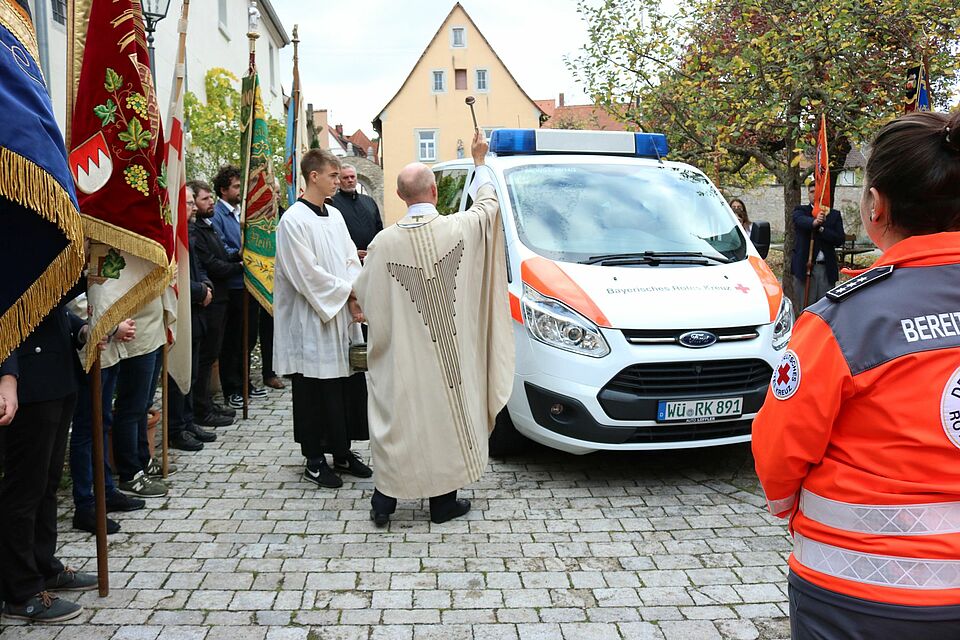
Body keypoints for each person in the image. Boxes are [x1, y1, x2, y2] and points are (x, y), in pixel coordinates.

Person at [752, 110, 960, 639]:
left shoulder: (844, 321)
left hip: (862, 596)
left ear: (875, 206)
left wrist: (791, 508)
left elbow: (779, 451)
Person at [354, 131, 514, 526]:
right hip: (451, 358)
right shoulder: (460, 229)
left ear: (400, 196)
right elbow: (489, 208)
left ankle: (383, 504)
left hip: (403, 359)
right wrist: (479, 163)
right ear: (434, 193)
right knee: (446, 417)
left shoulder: (382, 244)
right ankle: (443, 505)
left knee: (400, 422)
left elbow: (365, 301)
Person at [274, 149, 371, 489]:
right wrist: (348, 293)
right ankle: (314, 458)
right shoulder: (293, 221)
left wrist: (357, 293)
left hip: (342, 313)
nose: (337, 180)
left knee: (345, 386)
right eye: (333, 175)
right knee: (315, 389)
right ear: (314, 176)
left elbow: (350, 260)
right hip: (312, 319)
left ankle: (342, 451)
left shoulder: (334, 214)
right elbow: (306, 275)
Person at [0, 298, 98, 622]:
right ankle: (21, 590)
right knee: (25, 490)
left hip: (58, 376)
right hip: (30, 381)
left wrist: (80, 329)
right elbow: (7, 312)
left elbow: (48, 307)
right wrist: (7, 375)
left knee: (47, 484)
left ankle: (44, 565)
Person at [68, 317, 141, 534]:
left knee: (102, 423)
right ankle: (85, 503)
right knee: (86, 428)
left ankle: (105, 490)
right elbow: (78, 303)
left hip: (110, 348)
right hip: (90, 346)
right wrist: (112, 328)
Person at [166, 185, 218, 451]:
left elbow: (198, 267)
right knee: (178, 373)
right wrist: (200, 291)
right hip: (181, 311)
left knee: (193, 370)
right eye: (188, 203)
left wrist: (205, 285)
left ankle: (187, 420)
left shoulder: (189, 233)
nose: (194, 207)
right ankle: (176, 426)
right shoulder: (171, 234)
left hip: (195, 312)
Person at [210, 165, 264, 409]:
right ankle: (232, 387)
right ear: (223, 190)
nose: (240, 190)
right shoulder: (218, 214)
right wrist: (242, 256)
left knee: (248, 336)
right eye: (235, 186)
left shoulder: (241, 212)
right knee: (232, 339)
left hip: (248, 283)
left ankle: (245, 381)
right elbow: (221, 247)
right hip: (231, 286)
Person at [188, 179, 237, 428]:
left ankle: (206, 403)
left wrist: (237, 255)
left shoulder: (206, 227)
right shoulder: (195, 230)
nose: (210, 203)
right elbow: (209, 263)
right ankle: (201, 409)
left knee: (211, 354)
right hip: (209, 301)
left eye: (209, 198)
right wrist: (237, 266)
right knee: (205, 356)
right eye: (205, 199)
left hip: (219, 296)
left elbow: (220, 254)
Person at [790, 182, 845, 308]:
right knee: (806, 308)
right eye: (811, 192)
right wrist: (814, 222)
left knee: (825, 308)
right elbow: (799, 221)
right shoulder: (801, 211)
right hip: (806, 269)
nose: (814, 195)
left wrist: (821, 229)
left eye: (817, 192)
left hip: (826, 269)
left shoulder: (834, 215)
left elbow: (839, 239)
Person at [259, 179, 285, 390]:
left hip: (285, 281)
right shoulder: (256, 218)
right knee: (267, 330)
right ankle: (269, 372)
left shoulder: (285, 214)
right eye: (272, 192)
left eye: (277, 192)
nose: (276, 196)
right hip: (264, 280)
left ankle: (285, 365)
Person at [331, 163, 383, 262]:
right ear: (339, 181)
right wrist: (352, 252)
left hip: (371, 258)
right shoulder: (332, 204)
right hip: (346, 260)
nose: (350, 180)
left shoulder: (369, 201)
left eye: (352, 177)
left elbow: (379, 229)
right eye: (345, 178)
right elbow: (333, 235)